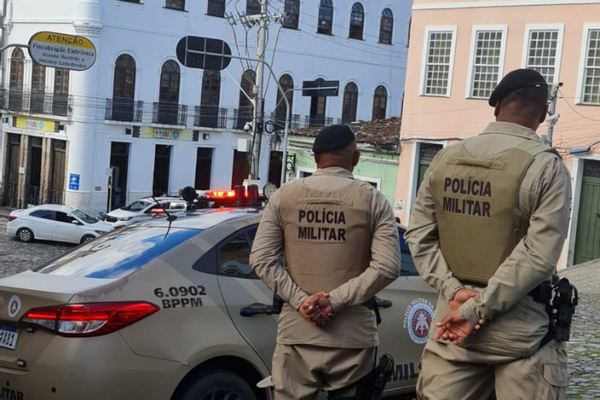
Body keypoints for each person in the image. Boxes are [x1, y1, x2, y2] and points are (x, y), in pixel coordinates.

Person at [405, 68, 571, 400]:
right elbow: (539, 254)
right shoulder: (546, 167)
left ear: (495, 107)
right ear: (542, 114)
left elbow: (418, 235)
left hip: (450, 329)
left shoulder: (445, 158)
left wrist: (455, 293)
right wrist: (478, 309)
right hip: (519, 335)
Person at [250, 124, 401, 400]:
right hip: (353, 339)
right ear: (354, 158)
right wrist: (335, 301)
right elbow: (388, 266)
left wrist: (300, 301)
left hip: (296, 334)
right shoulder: (372, 200)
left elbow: (261, 259)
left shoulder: (284, 196)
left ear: (315, 157)